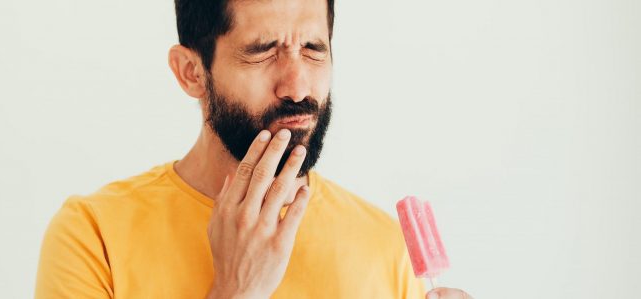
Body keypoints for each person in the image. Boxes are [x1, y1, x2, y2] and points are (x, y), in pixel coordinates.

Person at [35, 0, 474, 298]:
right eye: (263, 52)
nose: (298, 86)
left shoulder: (386, 245)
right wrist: (235, 290)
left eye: (313, 49)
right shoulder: (94, 235)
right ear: (191, 72)